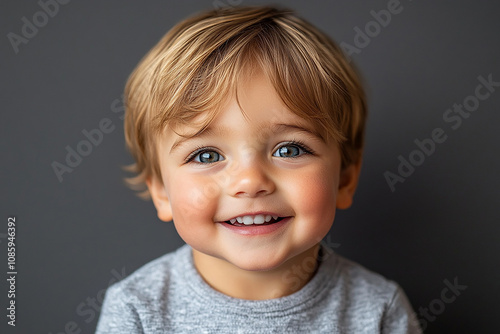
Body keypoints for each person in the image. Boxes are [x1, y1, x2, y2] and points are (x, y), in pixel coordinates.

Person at [96, 5, 421, 333]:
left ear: (345, 180)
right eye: (207, 156)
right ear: (161, 191)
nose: (250, 182)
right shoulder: (136, 309)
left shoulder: (378, 309)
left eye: (289, 150)